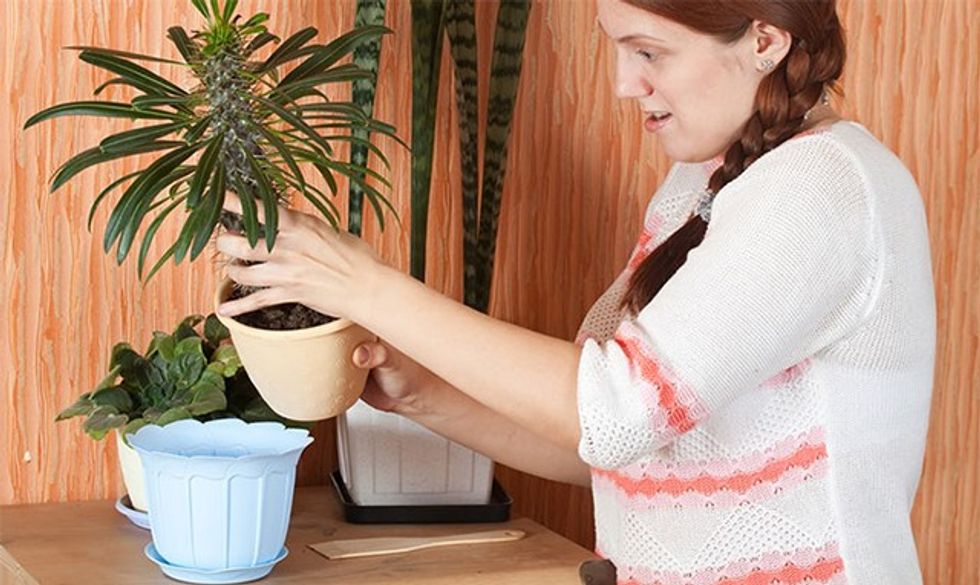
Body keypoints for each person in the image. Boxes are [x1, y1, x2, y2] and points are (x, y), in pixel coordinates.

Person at [217, 0, 936, 583]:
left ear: (765, 42)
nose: (625, 83)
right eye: (616, 48)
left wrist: (360, 283)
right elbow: (618, 446)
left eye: (649, 51)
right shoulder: (704, 183)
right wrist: (420, 395)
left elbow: (615, 408)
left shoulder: (822, 187)